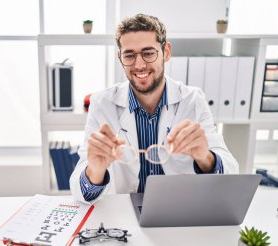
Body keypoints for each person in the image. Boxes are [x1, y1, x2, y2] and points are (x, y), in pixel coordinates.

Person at [70, 13, 239, 203]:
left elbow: (230, 173)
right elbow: (79, 189)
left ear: (166, 52)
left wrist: (205, 157)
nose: (139, 64)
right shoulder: (102, 103)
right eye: (129, 55)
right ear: (120, 57)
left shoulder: (192, 100)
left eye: (148, 53)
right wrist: (95, 170)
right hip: (124, 214)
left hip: (178, 209)